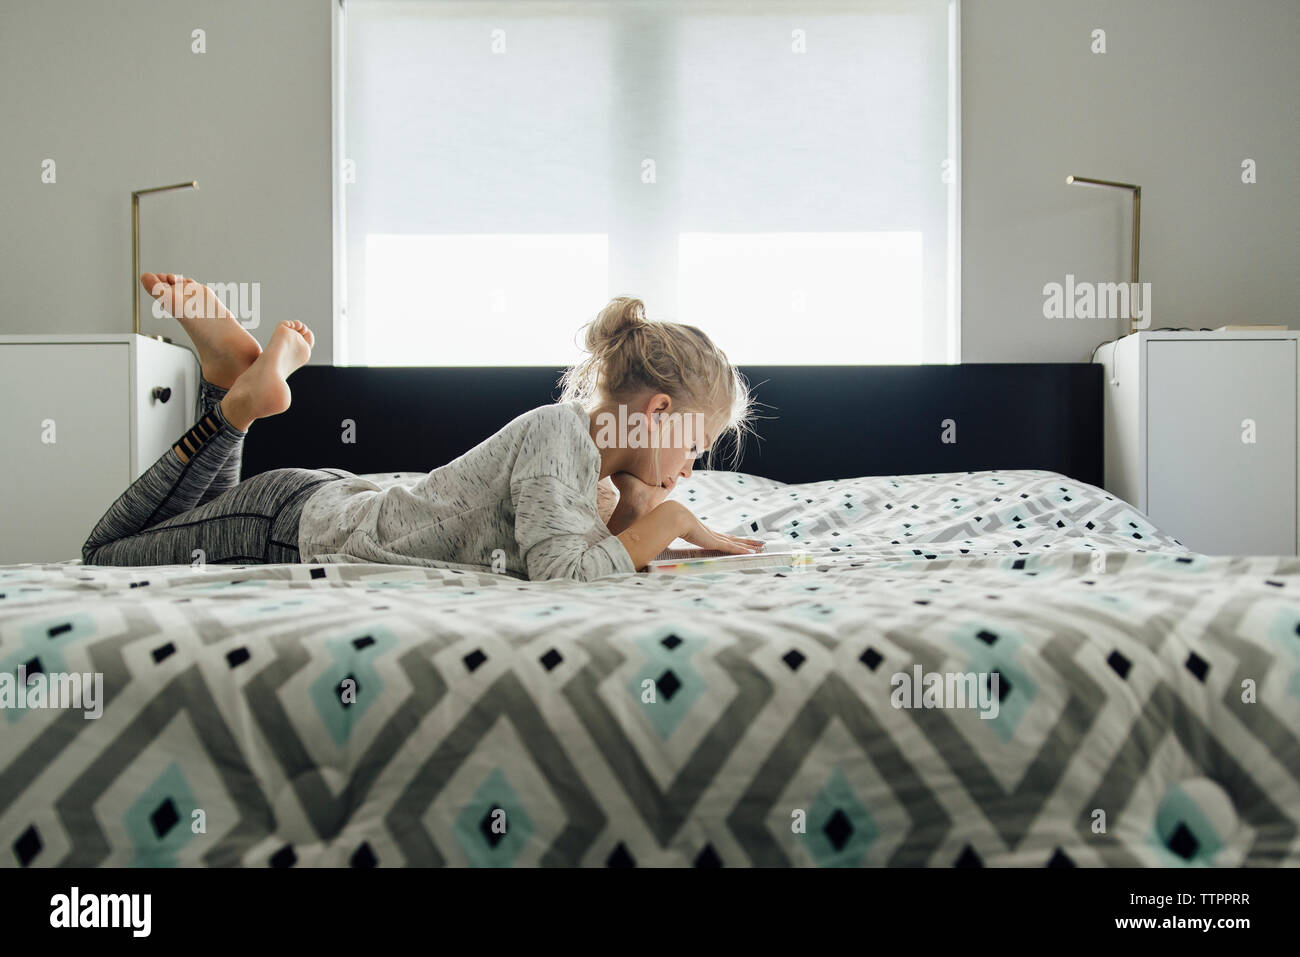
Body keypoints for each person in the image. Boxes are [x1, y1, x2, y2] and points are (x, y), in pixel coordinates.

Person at [82, 275, 762, 579]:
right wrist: (669, 524)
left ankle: (229, 381)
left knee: (191, 516)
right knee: (106, 553)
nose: (690, 470)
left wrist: (640, 507)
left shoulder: (597, 481)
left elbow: (587, 559)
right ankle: (235, 407)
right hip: (291, 530)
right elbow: (564, 572)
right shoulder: (562, 435)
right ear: (658, 415)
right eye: (695, 448)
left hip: (317, 506)